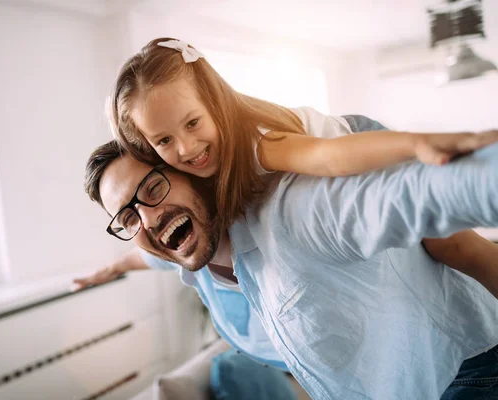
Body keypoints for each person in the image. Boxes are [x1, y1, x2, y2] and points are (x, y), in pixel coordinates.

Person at [73, 116, 498, 374]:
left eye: (152, 188)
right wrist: (111, 270)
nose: (147, 218)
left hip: (464, 363)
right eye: (128, 217)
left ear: (190, 172)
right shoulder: (184, 260)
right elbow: (144, 256)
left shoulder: (289, 215)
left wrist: (476, 177)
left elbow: (409, 201)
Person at [107, 37, 498, 298]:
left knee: (456, 246)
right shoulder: (184, 180)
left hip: (352, 144)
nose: (187, 148)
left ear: (215, 102)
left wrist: (416, 143)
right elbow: (155, 253)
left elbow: (328, 156)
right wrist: (114, 266)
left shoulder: (255, 142)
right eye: (164, 141)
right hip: (333, 158)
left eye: (193, 123)